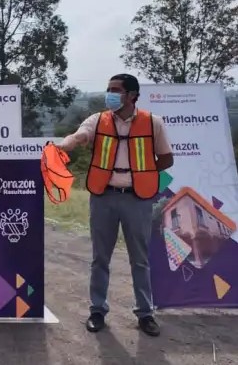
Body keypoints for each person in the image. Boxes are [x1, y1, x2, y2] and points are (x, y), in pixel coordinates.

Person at [57, 73, 173, 337]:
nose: (109, 93)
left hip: (138, 199)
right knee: (100, 258)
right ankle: (97, 310)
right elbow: (78, 136)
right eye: (108, 89)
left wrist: (143, 173)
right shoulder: (98, 120)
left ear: (131, 95)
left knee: (140, 260)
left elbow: (166, 158)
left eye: (116, 90)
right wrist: (63, 146)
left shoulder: (152, 123)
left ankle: (145, 314)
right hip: (103, 197)